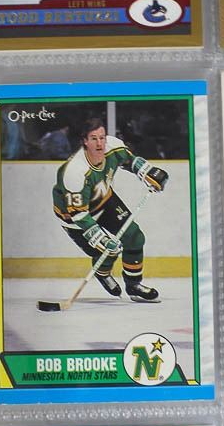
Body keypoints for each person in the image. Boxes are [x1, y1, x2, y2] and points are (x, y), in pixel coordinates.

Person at [52, 115, 168, 302]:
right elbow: (79, 215)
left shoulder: (112, 146)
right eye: (94, 139)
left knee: (134, 237)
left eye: (102, 137)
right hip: (73, 215)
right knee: (105, 251)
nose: (100, 143)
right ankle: (103, 272)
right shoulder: (74, 172)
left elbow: (130, 161)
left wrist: (148, 173)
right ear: (84, 141)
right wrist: (99, 238)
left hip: (104, 200)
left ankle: (133, 285)